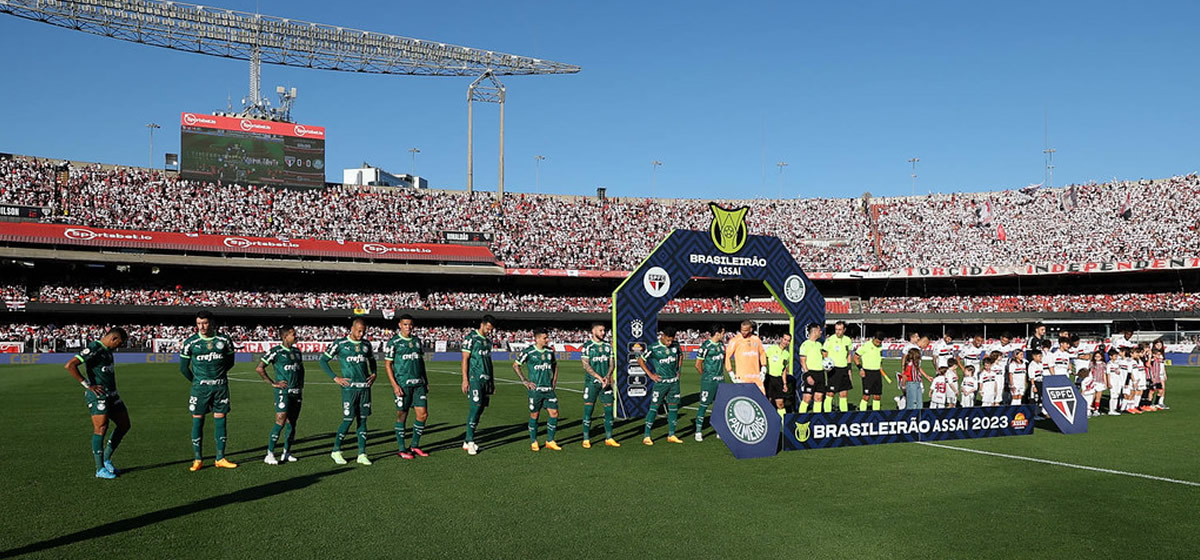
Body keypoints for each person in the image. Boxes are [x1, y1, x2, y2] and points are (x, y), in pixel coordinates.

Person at [65, 327, 129, 479]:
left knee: (124, 424)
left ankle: (106, 459)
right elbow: (70, 365)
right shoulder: (94, 348)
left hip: (112, 394)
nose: (118, 347)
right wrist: (88, 385)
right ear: (113, 339)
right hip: (98, 395)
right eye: (118, 344)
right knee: (101, 427)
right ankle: (99, 468)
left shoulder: (107, 350)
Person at [179, 310, 238, 471]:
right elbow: (183, 368)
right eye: (198, 323)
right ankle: (198, 458)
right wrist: (197, 382)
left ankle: (220, 457)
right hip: (200, 389)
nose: (202, 327)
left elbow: (230, 362)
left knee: (221, 419)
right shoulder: (191, 342)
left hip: (220, 387)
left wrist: (217, 377)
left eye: (204, 323)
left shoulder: (224, 340)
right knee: (198, 420)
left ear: (212, 323)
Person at [321, 318, 377, 466]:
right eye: (359, 330)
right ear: (352, 328)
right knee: (348, 419)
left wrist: (374, 373)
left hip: (364, 388)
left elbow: (372, 360)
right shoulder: (340, 344)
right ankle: (336, 450)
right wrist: (335, 378)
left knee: (363, 420)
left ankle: (362, 454)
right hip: (349, 388)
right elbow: (323, 360)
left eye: (363, 331)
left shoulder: (366, 344)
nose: (361, 334)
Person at [256, 325, 304, 465]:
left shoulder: (297, 351)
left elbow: (300, 369)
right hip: (283, 392)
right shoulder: (275, 352)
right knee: (281, 420)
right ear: (285, 337)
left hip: (297, 392)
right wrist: (272, 382)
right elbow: (260, 368)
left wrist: (301, 384)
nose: (296, 336)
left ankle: (287, 452)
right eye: (293, 334)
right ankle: (270, 454)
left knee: (292, 423)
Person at [384, 314, 430, 460]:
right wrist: (394, 385)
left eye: (410, 324)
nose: (408, 327)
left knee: (423, 415)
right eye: (405, 324)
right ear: (399, 325)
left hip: (419, 384)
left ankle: (415, 445)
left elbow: (421, 362)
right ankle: (401, 448)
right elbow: (387, 365)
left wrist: (426, 380)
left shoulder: (417, 341)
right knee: (402, 416)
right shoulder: (394, 342)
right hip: (403, 385)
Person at [514, 330, 561, 452]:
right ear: (537, 339)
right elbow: (516, 365)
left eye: (547, 338)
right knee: (535, 415)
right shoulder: (529, 352)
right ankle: (534, 441)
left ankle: (550, 441)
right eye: (545, 338)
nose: (547, 340)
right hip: (536, 391)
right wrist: (525, 380)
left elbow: (555, 365)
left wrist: (554, 380)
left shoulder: (550, 351)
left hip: (548, 389)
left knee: (554, 413)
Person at [639, 326, 684, 445]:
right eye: (668, 340)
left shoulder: (675, 345)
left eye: (671, 340)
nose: (669, 343)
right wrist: (650, 375)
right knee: (654, 408)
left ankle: (672, 434)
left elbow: (681, 355)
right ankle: (647, 436)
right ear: (662, 336)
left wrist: (678, 369)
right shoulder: (654, 347)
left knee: (673, 408)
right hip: (661, 383)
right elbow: (641, 360)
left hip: (674, 382)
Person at [461, 315, 496, 456]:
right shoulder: (471, 338)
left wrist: (492, 382)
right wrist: (465, 379)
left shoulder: (488, 342)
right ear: (482, 324)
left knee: (480, 409)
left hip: (486, 380)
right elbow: (465, 358)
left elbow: (489, 362)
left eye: (491, 329)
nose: (489, 331)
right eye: (488, 328)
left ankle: (466, 440)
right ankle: (470, 441)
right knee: (475, 407)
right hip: (474, 378)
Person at [581, 322, 619, 448]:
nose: (604, 333)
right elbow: (586, 365)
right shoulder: (588, 346)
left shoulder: (608, 346)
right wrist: (599, 378)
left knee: (608, 410)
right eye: (601, 330)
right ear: (593, 331)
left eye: (604, 330)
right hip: (592, 383)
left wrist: (607, 377)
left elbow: (612, 364)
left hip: (606, 383)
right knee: (588, 411)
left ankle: (609, 437)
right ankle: (586, 438)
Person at [693, 324, 727, 442]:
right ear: (717, 333)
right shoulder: (706, 346)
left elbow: (723, 361)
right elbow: (698, 364)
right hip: (709, 381)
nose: (724, 335)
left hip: (720, 380)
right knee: (703, 405)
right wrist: (706, 377)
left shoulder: (722, 345)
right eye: (723, 333)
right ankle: (698, 431)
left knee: (720, 406)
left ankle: (719, 430)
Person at [724, 320, 767, 393]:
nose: (743, 332)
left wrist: (763, 367)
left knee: (761, 400)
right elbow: (727, 356)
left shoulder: (756, 339)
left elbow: (762, 353)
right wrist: (731, 373)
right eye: (742, 330)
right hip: (742, 378)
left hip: (756, 377)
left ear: (751, 329)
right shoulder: (735, 340)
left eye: (746, 330)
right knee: (744, 401)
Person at [822, 321, 854, 413]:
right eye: (836, 329)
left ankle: (844, 415)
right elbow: (824, 352)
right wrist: (827, 365)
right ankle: (827, 414)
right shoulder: (830, 339)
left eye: (840, 330)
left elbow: (848, 355)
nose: (838, 332)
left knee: (843, 394)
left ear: (844, 330)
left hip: (843, 369)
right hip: (833, 370)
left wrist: (849, 369)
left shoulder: (847, 340)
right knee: (830, 393)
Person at [797, 324, 826, 413]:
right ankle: (801, 418)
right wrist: (808, 375)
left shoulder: (819, 345)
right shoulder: (805, 345)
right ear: (814, 331)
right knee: (807, 398)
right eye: (819, 330)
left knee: (819, 397)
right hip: (810, 373)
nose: (821, 332)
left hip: (820, 373)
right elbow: (802, 362)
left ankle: (816, 419)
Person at [854, 332, 886, 412]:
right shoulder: (866, 346)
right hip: (867, 373)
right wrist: (860, 369)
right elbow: (855, 357)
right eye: (877, 342)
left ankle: (876, 414)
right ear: (873, 338)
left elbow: (880, 358)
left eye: (880, 342)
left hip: (877, 373)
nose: (878, 344)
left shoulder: (881, 347)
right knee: (866, 396)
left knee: (877, 396)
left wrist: (881, 366)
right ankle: (862, 413)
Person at [765, 333, 791, 419]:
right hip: (769, 378)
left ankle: (783, 425)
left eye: (788, 340)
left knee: (780, 403)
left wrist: (784, 383)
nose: (786, 342)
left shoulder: (787, 354)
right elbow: (763, 360)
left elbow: (784, 370)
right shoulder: (771, 349)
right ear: (781, 339)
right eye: (785, 339)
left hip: (779, 380)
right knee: (767, 402)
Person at [1106, 348, 1126, 416]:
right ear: (1110, 356)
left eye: (1116, 356)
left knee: (1117, 395)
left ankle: (1114, 409)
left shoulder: (1117, 363)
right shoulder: (1109, 364)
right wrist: (1108, 383)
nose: (1116, 357)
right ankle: (1111, 410)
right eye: (1115, 356)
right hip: (1112, 381)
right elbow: (1108, 374)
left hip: (1118, 381)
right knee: (1113, 396)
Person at [1087, 351, 1107, 416]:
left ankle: (1096, 409)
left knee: (1098, 396)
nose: (1097, 358)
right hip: (1093, 381)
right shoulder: (1092, 363)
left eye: (1098, 356)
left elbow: (1104, 374)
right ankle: (1089, 409)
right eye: (1096, 356)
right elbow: (1090, 372)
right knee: (1092, 396)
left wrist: (1105, 382)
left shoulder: (1103, 364)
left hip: (1100, 381)